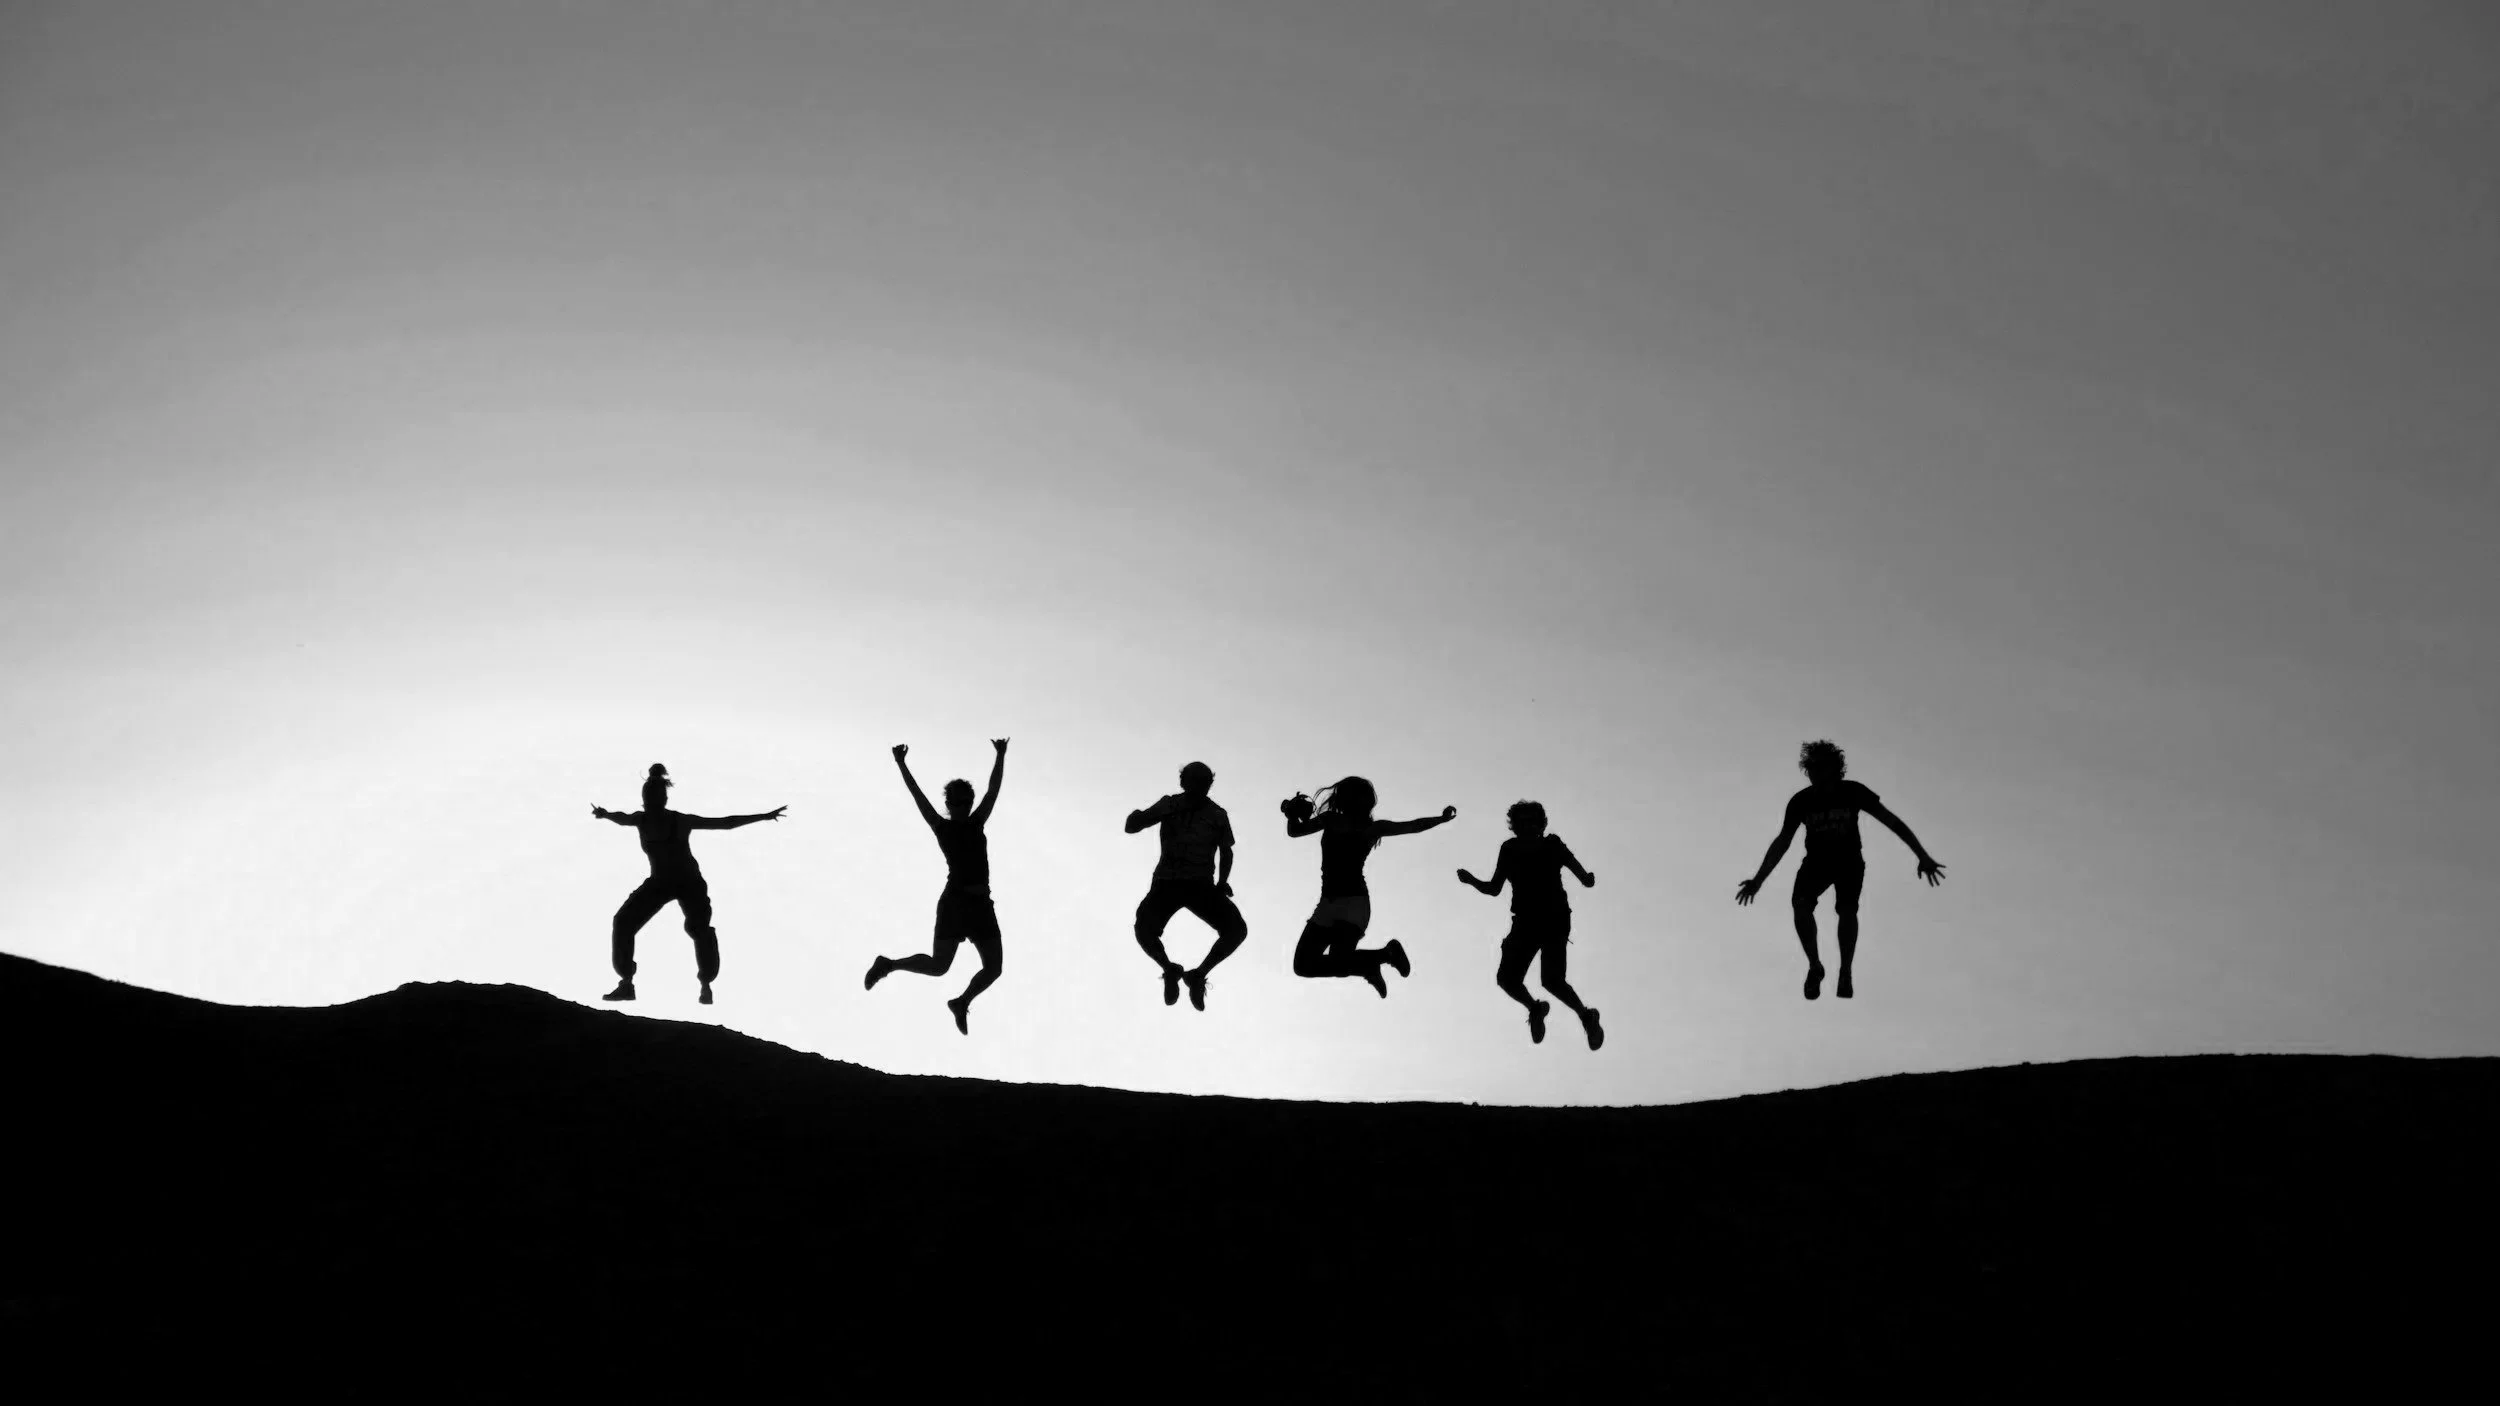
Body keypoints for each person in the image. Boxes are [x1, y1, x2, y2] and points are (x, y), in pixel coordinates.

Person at [1735, 739, 1944, 1000]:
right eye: (1811, 770)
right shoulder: (1801, 801)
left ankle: (1845, 970)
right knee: (1800, 906)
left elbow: (1892, 822)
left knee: (1846, 910)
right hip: (1816, 863)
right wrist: (1758, 880)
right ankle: (1815, 966)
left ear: (1835, 769)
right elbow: (1783, 841)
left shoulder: (1853, 791)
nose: (1815, 775)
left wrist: (1922, 855)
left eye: (1820, 769)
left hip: (1848, 862)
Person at [591, 763, 785, 1005]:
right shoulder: (640, 820)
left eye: (655, 799)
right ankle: (626, 984)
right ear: (645, 800)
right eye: (648, 799)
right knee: (623, 922)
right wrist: (605, 814)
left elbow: (725, 823)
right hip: (660, 882)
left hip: (689, 882)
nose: (651, 803)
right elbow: (620, 818)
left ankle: (706, 985)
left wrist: (763, 816)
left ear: (663, 799)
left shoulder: (680, 821)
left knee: (698, 929)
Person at [867, 739, 1008, 1034]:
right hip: (955, 903)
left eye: (966, 802)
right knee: (939, 966)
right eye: (956, 802)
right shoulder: (941, 827)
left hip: (981, 906)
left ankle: (961, 1002)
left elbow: (993, 791)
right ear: (948, 805)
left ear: (970, 803)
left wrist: (1000, 756)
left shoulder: (977, 822)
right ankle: (888, 965)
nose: (962, 806)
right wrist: (901, 764)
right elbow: (917, 795)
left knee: (994, 968)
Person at [1281, 777, 1454, 997]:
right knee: (1303, 965)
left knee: (1338, 962)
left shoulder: (1366, 827)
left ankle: (1381, 958)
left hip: (1353, 904)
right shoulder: (1336, 820)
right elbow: (1295, 831)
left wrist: (1441, 819)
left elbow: (1412, 826)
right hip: (1328, 903)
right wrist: (1290, 814)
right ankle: (1376, 961)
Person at [1457, 801, 1601, 1049]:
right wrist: (1471, 880)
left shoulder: (1552, 845)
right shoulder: (1510, 849)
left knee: (1552, 980)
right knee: (1506, 979)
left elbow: (1581, 873)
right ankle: (1535, 1008)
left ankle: (1586, 1016)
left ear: (1541, 824)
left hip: (1554, 918)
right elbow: (1494, 888)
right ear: (1515, 827)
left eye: (1532, 822)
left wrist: (1587, 879)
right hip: (1525, 922)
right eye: (1522, 823)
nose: (1528, 827)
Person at [1125, 761, 1249, 1011]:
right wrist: (1138, 817)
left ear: (1209, 785)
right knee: (1143, 929)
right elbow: (1132, 826)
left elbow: (1226, 850)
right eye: (1194, 780)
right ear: (1184, 782)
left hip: (1199, 885)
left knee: (1236, 930)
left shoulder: (1217, 814)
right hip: (1168, 882)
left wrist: (1223, 882)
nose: (1199, 786)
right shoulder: (1170, 804)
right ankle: (1170, 970)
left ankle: (1197, 975)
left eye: (1204, 782)